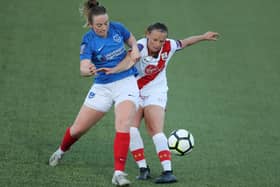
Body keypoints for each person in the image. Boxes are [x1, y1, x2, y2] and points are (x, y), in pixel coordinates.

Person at [100, 22, 219, 183]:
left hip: (156, 91)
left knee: (155, 128)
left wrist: (203, 37)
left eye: (161, 41)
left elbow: (185, 42)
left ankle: (168, 171)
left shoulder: (169, 46)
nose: (158, 44)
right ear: (147, 35)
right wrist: (114, 70)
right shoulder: (140, 47)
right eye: (155, 40)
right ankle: (143, 168)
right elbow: (128, 60)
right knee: (131, 129)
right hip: (135, 89)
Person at [48, 0, 140, 186]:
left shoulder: (117, 28)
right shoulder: (88, 40)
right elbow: (83, 66)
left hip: (126, 82)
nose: (104, 27)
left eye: (105, 23)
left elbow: (130, 39)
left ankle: (119, 174)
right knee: (78, 129)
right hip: (102, 87)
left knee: (123, 123)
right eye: (99, 25)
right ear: (90, 25)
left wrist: (135, 48)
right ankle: (60, 151)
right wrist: (87, 69)